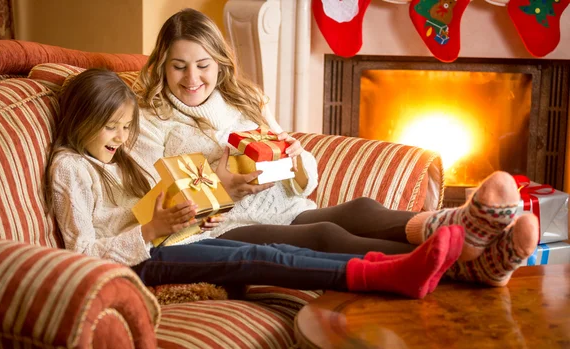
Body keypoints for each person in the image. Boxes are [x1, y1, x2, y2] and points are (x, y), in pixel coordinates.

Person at [132, 8, 540, 288]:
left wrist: (293, 157)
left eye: (202, 65)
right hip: (222, 228)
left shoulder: (242, 101)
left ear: (219, 63)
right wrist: (221, 187)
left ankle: (459, 230)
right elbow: (150, 203)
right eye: (178, 66)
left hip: (281, 205)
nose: (191, 79)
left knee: (361, 208)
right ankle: (461, 266)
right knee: (325, 233)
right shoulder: (149, 120)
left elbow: (301, 167)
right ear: (162, 65)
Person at [45, 68, 466, 299]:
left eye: (124, 127)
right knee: (259, 258)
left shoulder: (111, 159)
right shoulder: (69, 168)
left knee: (274, 249)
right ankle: (383, 276)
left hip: (167, 242)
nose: (120, 138)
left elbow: (139, 211)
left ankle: (409, 260)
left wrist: (191, 217)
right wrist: (154, 229)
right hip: (139, 260)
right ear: (80, 121)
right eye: (111, 128)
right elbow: (81, 251)